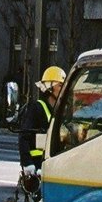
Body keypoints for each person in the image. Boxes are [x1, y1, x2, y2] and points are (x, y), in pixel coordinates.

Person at [18, 65, 65, 194]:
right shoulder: (36, 108)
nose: (63, 89)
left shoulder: (61, 111)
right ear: (49, 88)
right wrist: (28, 164)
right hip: (37, 168)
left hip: (55, 167)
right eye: (60, 85)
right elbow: (24, 137)